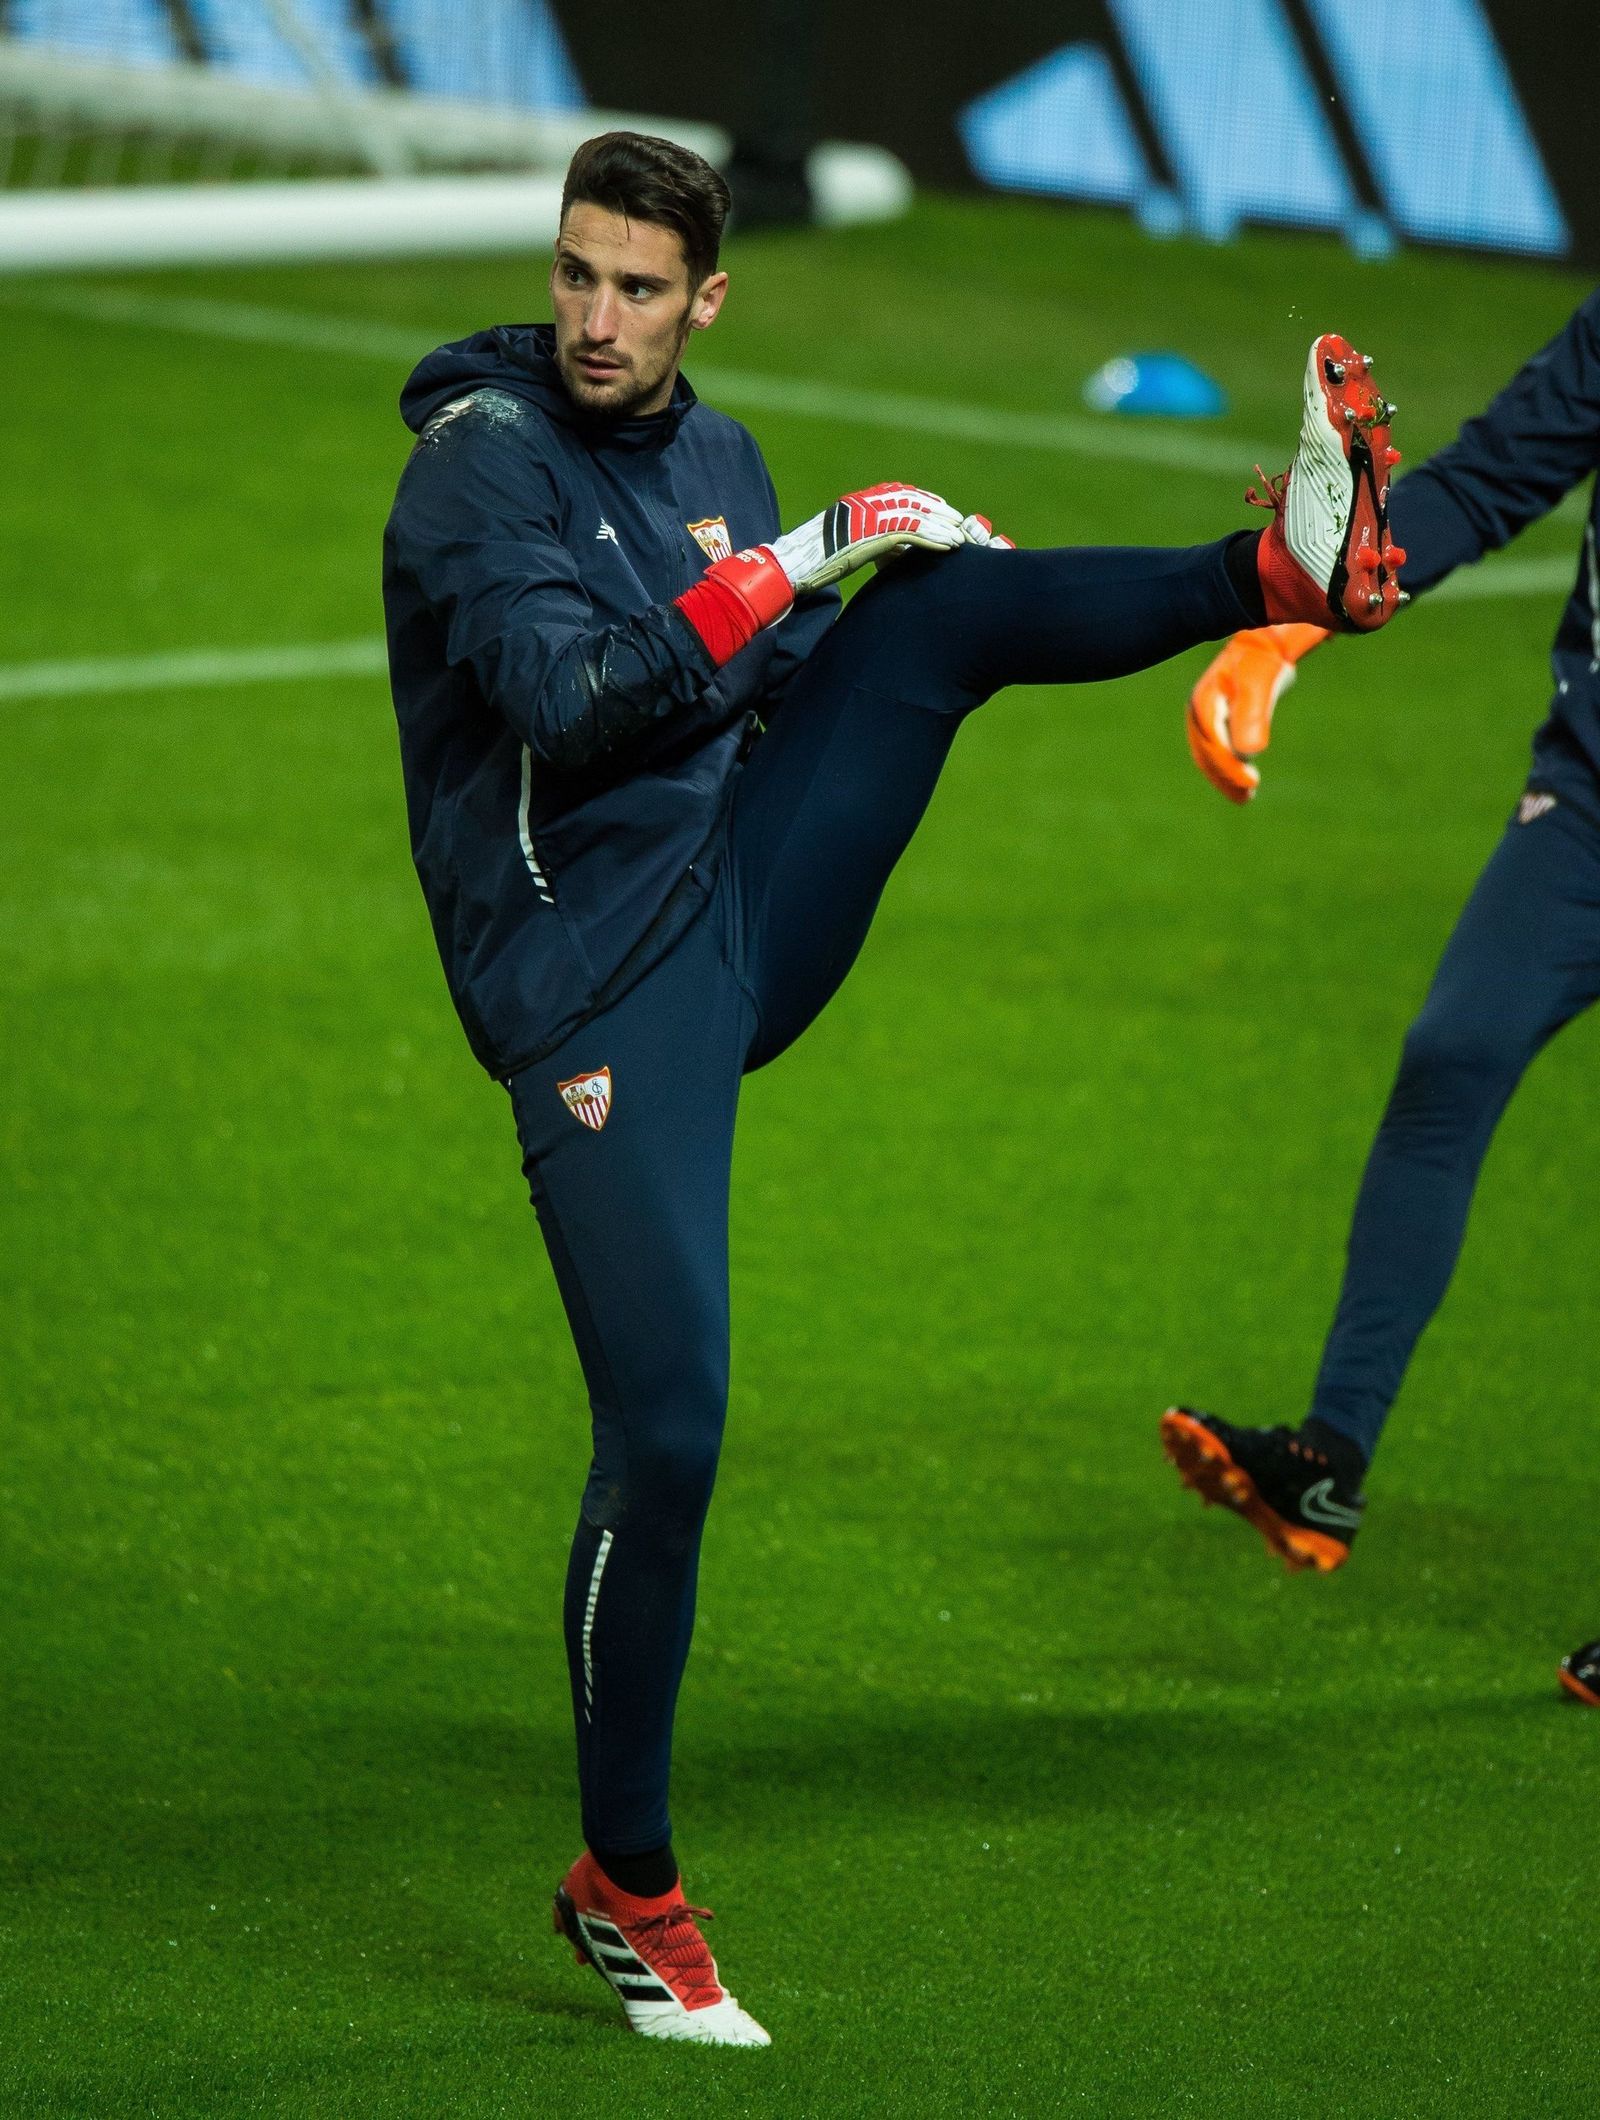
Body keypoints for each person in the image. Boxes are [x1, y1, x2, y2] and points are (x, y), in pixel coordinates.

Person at [382, 127, 1401, 2045]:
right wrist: (803, 560)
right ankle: (629, 1884)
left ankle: (1287, 566)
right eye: (575, 276)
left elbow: (753, 687)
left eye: (636, 287)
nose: (594, 319)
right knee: (671, 1435)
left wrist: (878, 593)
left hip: (747, 894)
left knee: (935, 614)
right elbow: (580, 705)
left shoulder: (713, 451)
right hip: (601, 991)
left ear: (707, 301)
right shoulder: (475, 471)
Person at [1158, 291, 1600, 1706]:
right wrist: (1295, 624)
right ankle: (1328, 1465)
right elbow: (1487, 476)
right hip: (1591, 801)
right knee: (1454, 1051)